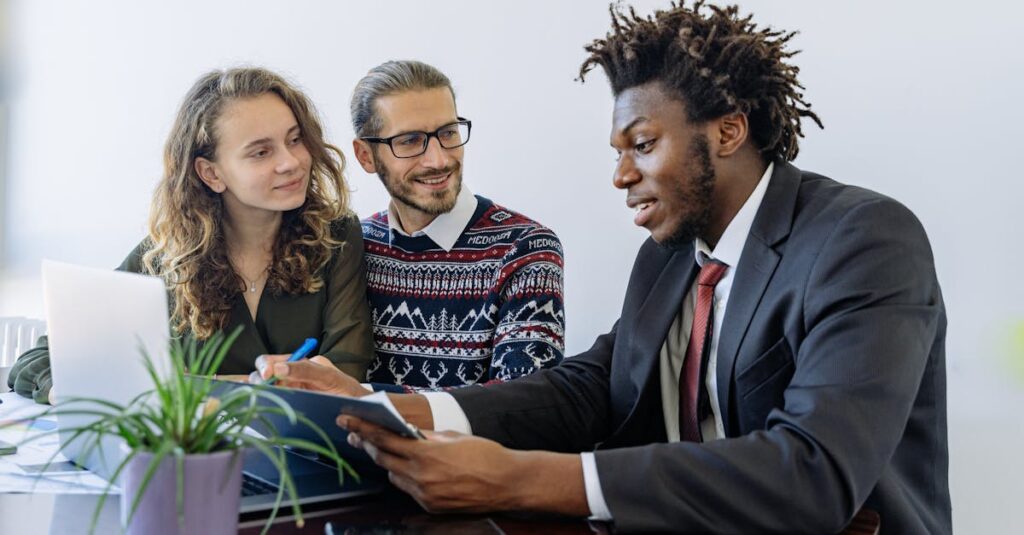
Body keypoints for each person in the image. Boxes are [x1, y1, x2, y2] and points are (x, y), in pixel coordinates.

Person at [256, 3, 950, 533]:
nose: (621, 175)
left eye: (642, 145)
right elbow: (589, 388)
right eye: (618, 149)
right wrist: (393, 410)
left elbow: (812, 472)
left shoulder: (863, 239)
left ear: (728, 130)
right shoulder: (669, 258)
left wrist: (522, 478)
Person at [9, 67, 375, 404]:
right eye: (261, 152)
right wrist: (71, 393)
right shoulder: (167, 254)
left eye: (295, 140)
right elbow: (40, 361)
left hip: (304, 459)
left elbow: (343, 375)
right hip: (192, 458)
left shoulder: (337, 237)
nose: (291, 162)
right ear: (211, 173)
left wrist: (187, 386)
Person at [349, 60, 565, 391]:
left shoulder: (526, 249)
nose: (439, 159)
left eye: (448, 133)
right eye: (410, 141)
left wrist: (360, 396)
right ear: (366, 156)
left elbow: (519, 407)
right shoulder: (352, 246)